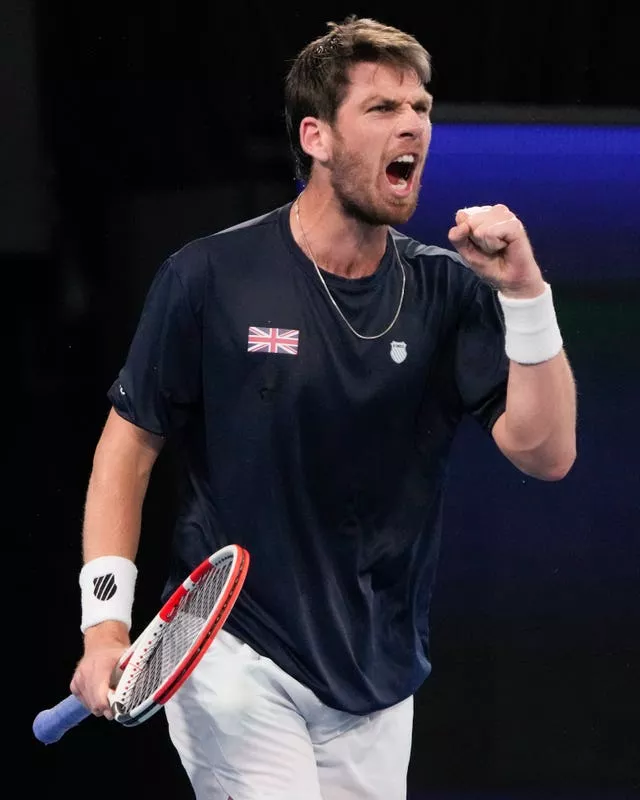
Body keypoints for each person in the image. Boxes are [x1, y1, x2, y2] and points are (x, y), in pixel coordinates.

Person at [69, 15, 577, 800]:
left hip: (377, 671)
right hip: (236, 654)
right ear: (317, 136)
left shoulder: (446, 290)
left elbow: (546, 453)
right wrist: (105, 627)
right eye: (382, 108)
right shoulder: (209, 276)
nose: (413, 124)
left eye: (422, 107)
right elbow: (126, 448)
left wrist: (526, 293)